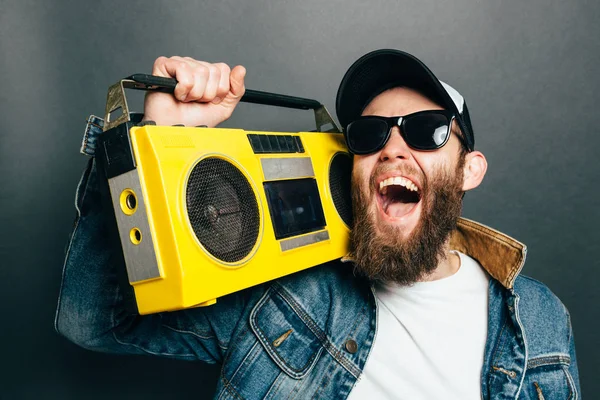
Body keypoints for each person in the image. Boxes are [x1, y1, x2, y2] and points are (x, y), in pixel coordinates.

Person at [55, 49, 580, 399]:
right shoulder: (287, 291)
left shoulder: (537, 319)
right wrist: (151, 144)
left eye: (425, 131)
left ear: (470, 170)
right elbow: (93, 320)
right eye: (370, 135)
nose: (393, 147)